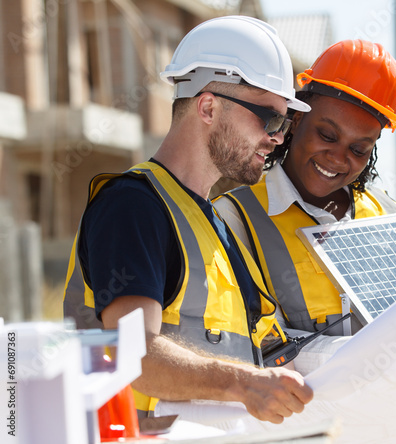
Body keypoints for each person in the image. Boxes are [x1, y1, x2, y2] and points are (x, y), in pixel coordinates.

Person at [62, 16, 313, 423]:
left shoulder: (213, 224)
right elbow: (132, 354)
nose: (279, 137)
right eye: (269, 119)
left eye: (285, 123)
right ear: (209, 106)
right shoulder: (132, 207)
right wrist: (244, 383)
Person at [214, 40, 396, 337]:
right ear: (298, 119)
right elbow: (250, 341)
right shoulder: (234, 218)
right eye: (327, 135)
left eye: (359, 149)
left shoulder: (388, 215)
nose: (338, 158)